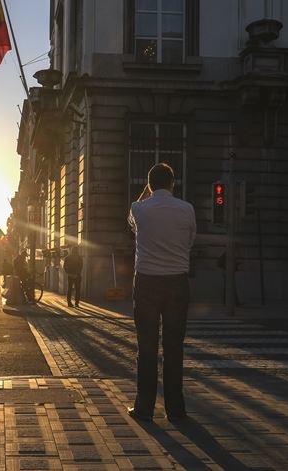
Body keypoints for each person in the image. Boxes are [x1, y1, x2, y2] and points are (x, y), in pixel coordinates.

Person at [127, 163, 196, 423]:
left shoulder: (139, 208)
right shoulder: (187, 209)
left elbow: (131, 223)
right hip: (177, 282)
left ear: (149, 185)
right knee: (174, 347)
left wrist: (146, 193)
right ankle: (175, 410)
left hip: (145, 281)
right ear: (173, 184)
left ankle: (144, 408)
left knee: (146, 347)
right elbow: (190, 241)